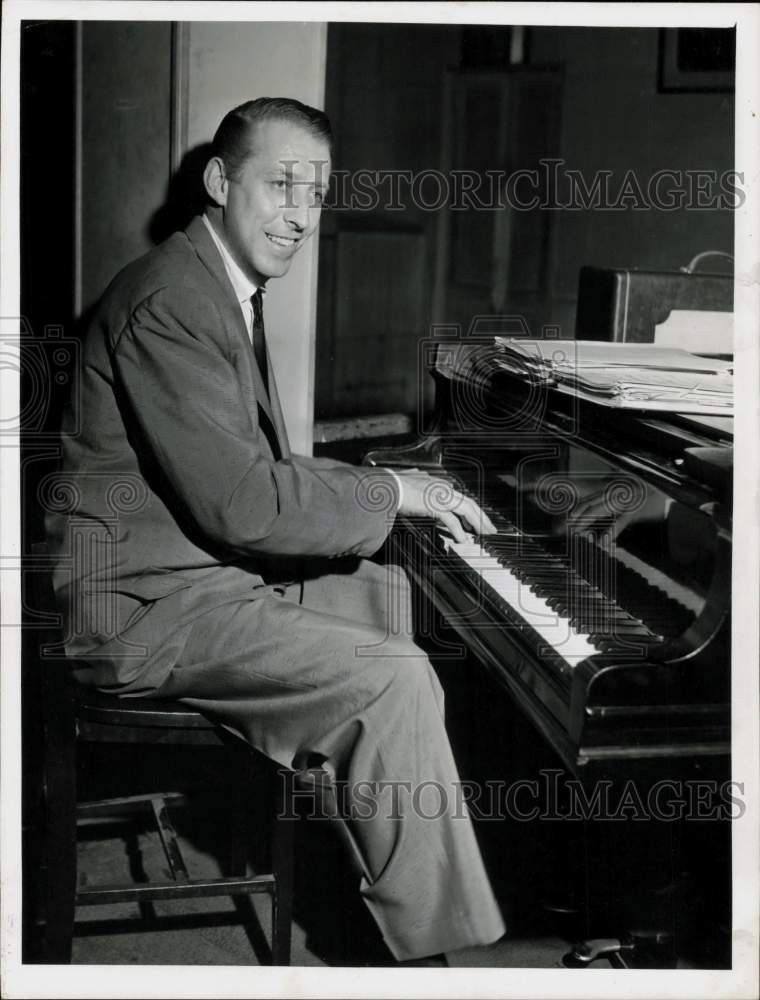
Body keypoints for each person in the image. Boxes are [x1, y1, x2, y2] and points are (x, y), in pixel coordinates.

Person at [45, 97, 506, 965]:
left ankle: (380, 841)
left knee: (400, 594)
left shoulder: (215, 280)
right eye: (281, 183)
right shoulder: (174, 300)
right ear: (221, 181)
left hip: (188, 574)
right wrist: (392, 489)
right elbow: (245, 505)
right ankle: (440, 959)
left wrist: (398, 493)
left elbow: (256, 479)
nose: (301, 212)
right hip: (142, 612)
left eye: (319, 193)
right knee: (392, 677)